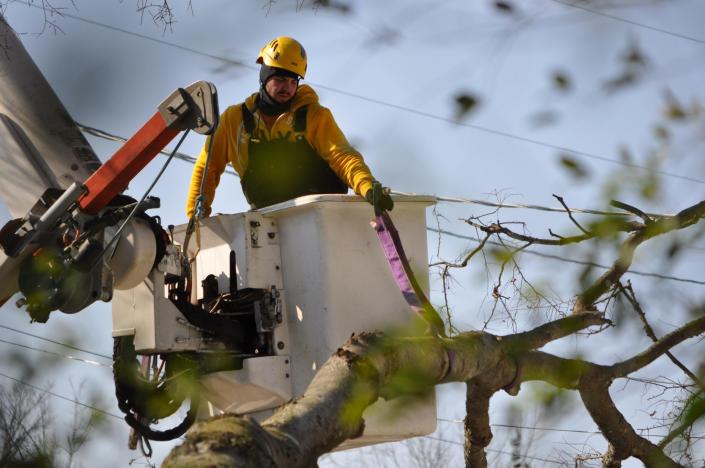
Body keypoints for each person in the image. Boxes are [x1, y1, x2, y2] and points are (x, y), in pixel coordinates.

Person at [186, 36, 393, 218]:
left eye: (293, 81)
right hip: (267, 223)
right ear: (264, 77)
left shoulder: (314, 116)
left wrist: (367, 186)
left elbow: (342, 156)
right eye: (280, 79)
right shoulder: (234, 120)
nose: (287, 87)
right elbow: (208, 167)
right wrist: (196, 219)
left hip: (319, 219)